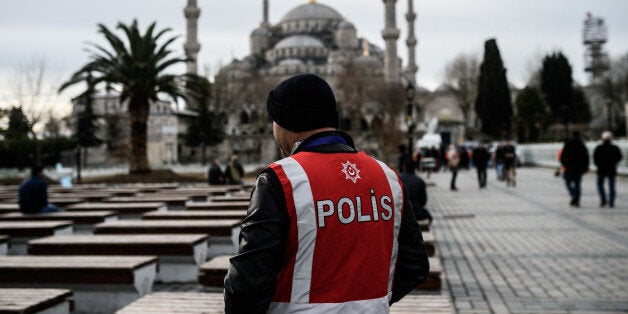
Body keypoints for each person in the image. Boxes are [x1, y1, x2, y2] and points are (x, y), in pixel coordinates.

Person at [224, 73, 429, 313]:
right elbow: (415, 266)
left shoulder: (282, 180)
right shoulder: (387, 177)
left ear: (284, 121)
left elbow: (247, 284)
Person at [560, 131, 590, 207]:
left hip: (569, 168)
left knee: (567, 182)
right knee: (578, 185)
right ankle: (577, 201)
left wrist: (565, 165)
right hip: (579, 169)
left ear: (572, 135)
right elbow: (586, 157)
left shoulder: (568, 144)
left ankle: (573, 195)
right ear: (579, 136)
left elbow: (562, 156)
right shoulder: (582, 144)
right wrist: (585, 168)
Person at [593, 131, 623, 207]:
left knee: (600, 185)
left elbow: (595, 158)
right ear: (611, 138)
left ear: (602, 138)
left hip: (601, 170)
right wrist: (614, 163)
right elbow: (619, 157)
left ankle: (603, 200)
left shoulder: (599, 148)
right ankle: (611, 202)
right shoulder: (615, 148)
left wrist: (599, 165)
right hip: (612, 169)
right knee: (612, 186)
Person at [399, 159, 433, 223]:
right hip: (415, 212)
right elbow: (423, 201)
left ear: (404, 167)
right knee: (429, 216)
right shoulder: (419, 181)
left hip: (400, 212)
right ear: (415, 168)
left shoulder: (398, 179)